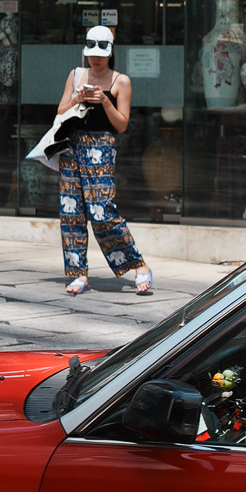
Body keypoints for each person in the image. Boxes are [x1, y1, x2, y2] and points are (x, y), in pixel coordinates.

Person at [50, 25, 152, 298]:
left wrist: (104, 101)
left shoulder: (121, 81)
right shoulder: (76, 75)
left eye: (100, 54)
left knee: (102, 211)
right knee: (71, 213)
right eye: (91, 53)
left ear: (110, 53)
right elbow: (60, 110)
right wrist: (78, 98)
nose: (95, 59)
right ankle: (78, 273)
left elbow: (121, 124)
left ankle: (139, 265)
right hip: (72, 146)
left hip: (101, 147)